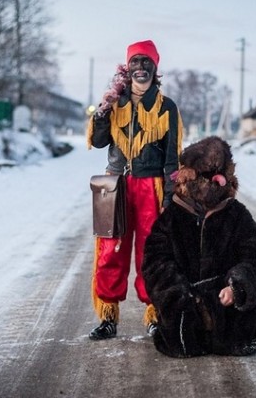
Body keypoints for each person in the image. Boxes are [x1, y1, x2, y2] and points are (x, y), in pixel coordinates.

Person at [142, 136, 256, 357]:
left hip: (229, 315)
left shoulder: (237, 214)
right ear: (189, 176)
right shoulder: (171, 217)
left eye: (220, 176)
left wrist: (238, 286)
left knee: (242, 338)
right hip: (184, 317)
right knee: (180, 341)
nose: (215, 183)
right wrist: (179, 295)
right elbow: (155, 263)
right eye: (207, 176)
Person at [86, 39, 183, 340]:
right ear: (127, 69)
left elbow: (172, 158)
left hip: (151, 186)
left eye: (146, 63)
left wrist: (169, 195)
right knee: (110, 251)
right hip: (115, 184)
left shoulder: (167, 107)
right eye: (135, 63)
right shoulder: (114, 102)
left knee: (151, 253)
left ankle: (154, 314)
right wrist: (102, 113)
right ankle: (107, 316)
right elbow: (100, 142)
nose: (140, 68)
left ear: (155, 68)